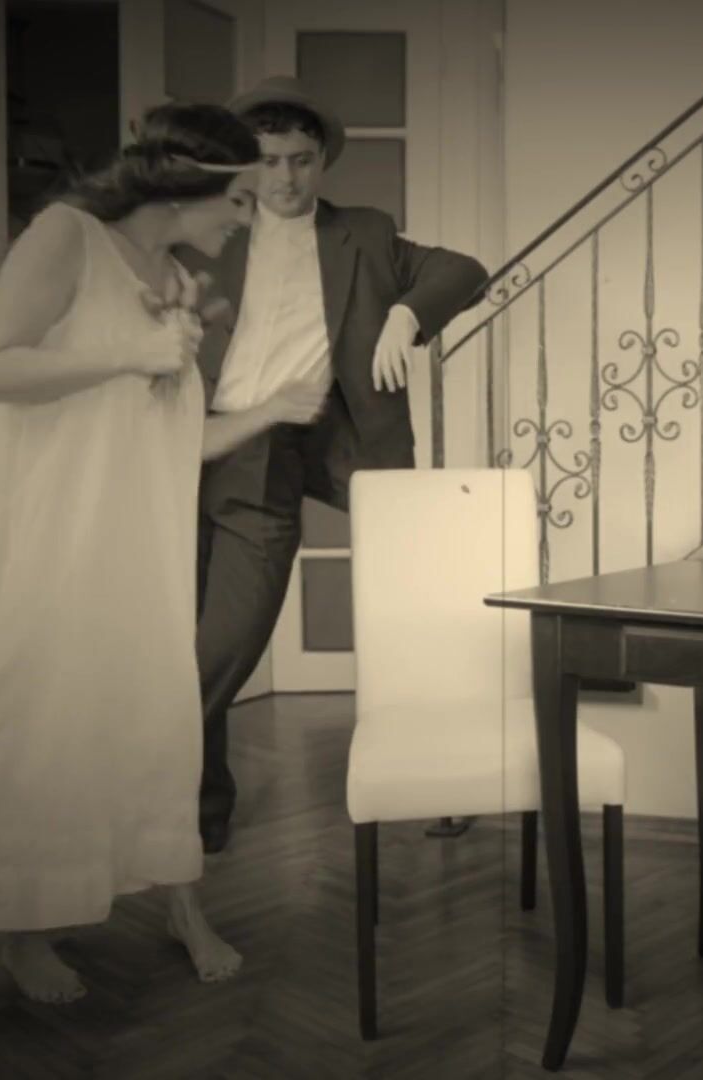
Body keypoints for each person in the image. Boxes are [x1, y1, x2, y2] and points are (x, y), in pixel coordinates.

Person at [0, 102, 328, 1004]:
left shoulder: (172, 279)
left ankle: (179, 901)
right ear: (187, 187)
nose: (248, 218)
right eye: (239, 199)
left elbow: (176, 440)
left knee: (148, 718)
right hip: (37, 532)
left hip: (132, 539)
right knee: (38, 723)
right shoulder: (66, 237)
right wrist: (132, 352)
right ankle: (24, 931)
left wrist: (273, 409)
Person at [187, 76, 490, 852]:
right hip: (213, 445)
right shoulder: (210, 236)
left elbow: (464, 269)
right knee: (203, 637)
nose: (284, 178)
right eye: (267, 161)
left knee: (419, 601)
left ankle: (447, 777)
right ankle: (195, 811)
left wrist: (405, 314)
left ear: (321, 162)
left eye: (300, 160)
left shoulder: (363, 232)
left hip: (322, 440)